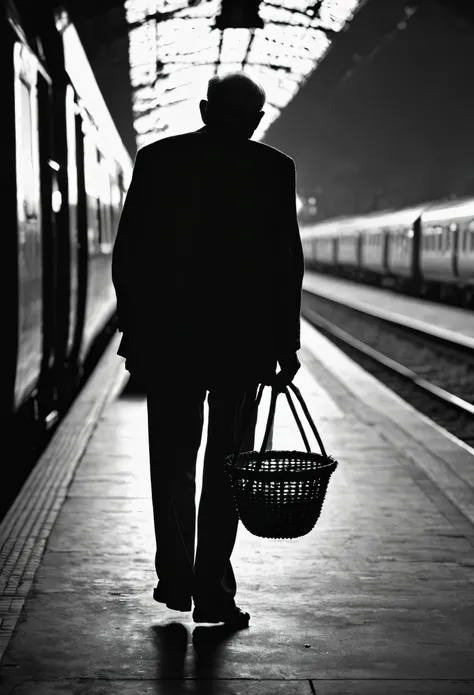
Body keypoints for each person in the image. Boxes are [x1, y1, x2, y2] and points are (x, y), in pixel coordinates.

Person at [111, 72, 304, 629]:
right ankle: (214, 591)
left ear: (201, 108)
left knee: (171, 460)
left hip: (169, 342)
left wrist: (136, 327)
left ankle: (175, 580)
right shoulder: (273, 168)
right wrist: (284, 342)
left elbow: (129, 253)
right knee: (229, 466)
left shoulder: (157, 159)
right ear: (256, 120)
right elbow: (285, 262)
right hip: (242, 345)